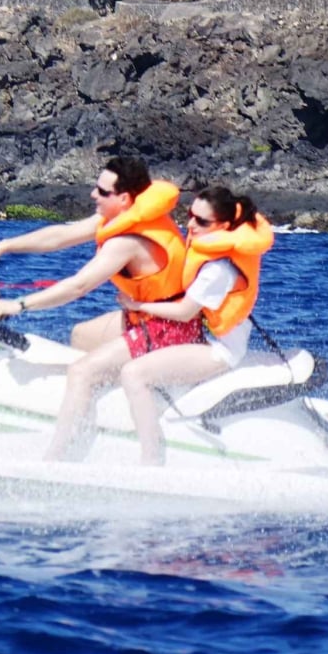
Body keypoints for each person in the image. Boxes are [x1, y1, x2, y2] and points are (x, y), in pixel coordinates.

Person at [49, 186, 274, 465]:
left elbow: (184, 312)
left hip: (219, 353)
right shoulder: (206, 252)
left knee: (134, 374)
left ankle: (151, 458)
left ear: (224, 226)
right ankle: (94, 416)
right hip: (196, 335)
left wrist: (138, 305)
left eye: (202, 221)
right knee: (82, 337)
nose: (190, 225)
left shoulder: (219, 269)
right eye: (190, 215)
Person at [0, 157, 188, 354]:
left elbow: (79, 286)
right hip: (146, 318)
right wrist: (3, 246)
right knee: (81, 335)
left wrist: (17, 305)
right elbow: (61, 236)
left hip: (169, 329)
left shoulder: (126, 243)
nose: (93, 194)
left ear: (124, 198)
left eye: (102, 192)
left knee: (81, 372)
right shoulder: (118, 219)